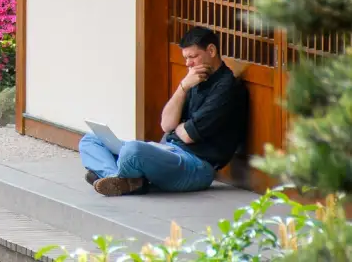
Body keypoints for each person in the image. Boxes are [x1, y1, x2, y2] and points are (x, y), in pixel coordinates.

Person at [79, 26, 248, 196]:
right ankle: (119, 179)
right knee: (90, 140)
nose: (188, 63)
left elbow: (188, 135)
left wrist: (180, 127)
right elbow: (167, 125)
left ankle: (116, 175)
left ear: (211, 50)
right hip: (166, 150)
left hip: (196, 165)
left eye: (193, 57)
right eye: (186, 58)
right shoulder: (194, 80)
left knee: (133, 150)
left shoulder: (227, 88)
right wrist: (183, 87)